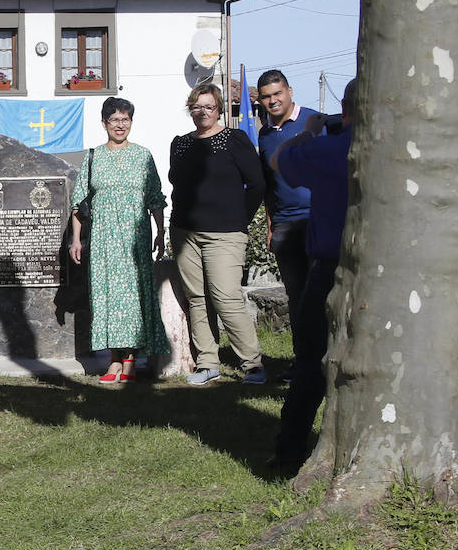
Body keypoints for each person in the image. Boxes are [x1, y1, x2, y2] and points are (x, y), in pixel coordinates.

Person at [268, 78, 357, 472]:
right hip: (376, 270)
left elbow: (279, 161)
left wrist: (308, 132)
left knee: (310, 362)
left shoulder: (329, 147)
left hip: (328, 266)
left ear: (347, 110)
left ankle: (289, 451)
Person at [167, 83, 268, 385]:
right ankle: (207, 363)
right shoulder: (180, 144)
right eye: (197, 106)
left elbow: (257, 184)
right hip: (185, 233)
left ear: (219, 109)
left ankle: (253, 364)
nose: (202, 112)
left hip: (225, 234)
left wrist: (240, 219)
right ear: (190, 109)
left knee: (226, 298)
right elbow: (176, 184)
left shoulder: (233, 140)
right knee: (197, 299)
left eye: (208, 106)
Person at [68, 96, 170, 383]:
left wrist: (161, 232)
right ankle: (114, 360)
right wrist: (76, 240)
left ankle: (130, 359)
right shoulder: (93, 157)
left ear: (131, 122)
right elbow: (78, 203)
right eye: (115, 120)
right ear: (104, 123)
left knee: (134, 297)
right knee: (107, 297)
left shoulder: (143, 155)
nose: (120, 125)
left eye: (125, 119)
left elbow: (155, 198)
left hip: (135, 238)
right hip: (103, 240)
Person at [255, 70, 318, 380]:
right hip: (284, 225)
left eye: (277, 93)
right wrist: (270, 225)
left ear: (290, 91)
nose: (273, 101)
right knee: (296, 297)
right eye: (266, 97)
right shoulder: (265, 134)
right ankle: (303, 362)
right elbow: (269, 185)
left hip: (318, 221)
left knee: (322, 294)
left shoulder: (314, 123)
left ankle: (326, 360)